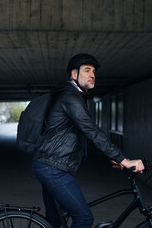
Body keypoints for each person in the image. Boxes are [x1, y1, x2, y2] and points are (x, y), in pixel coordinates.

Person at [32, 53, 145, 228]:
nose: (92, 75)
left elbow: (82, 135)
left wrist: (112, 158)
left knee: (55, 222)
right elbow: (91, 131)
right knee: (84, 218)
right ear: (74, 74)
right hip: (53, 169)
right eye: (86, 70)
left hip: (49, 165)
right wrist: (123, 159)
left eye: (93, 71)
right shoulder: (71, 97)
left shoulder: (72, 95)